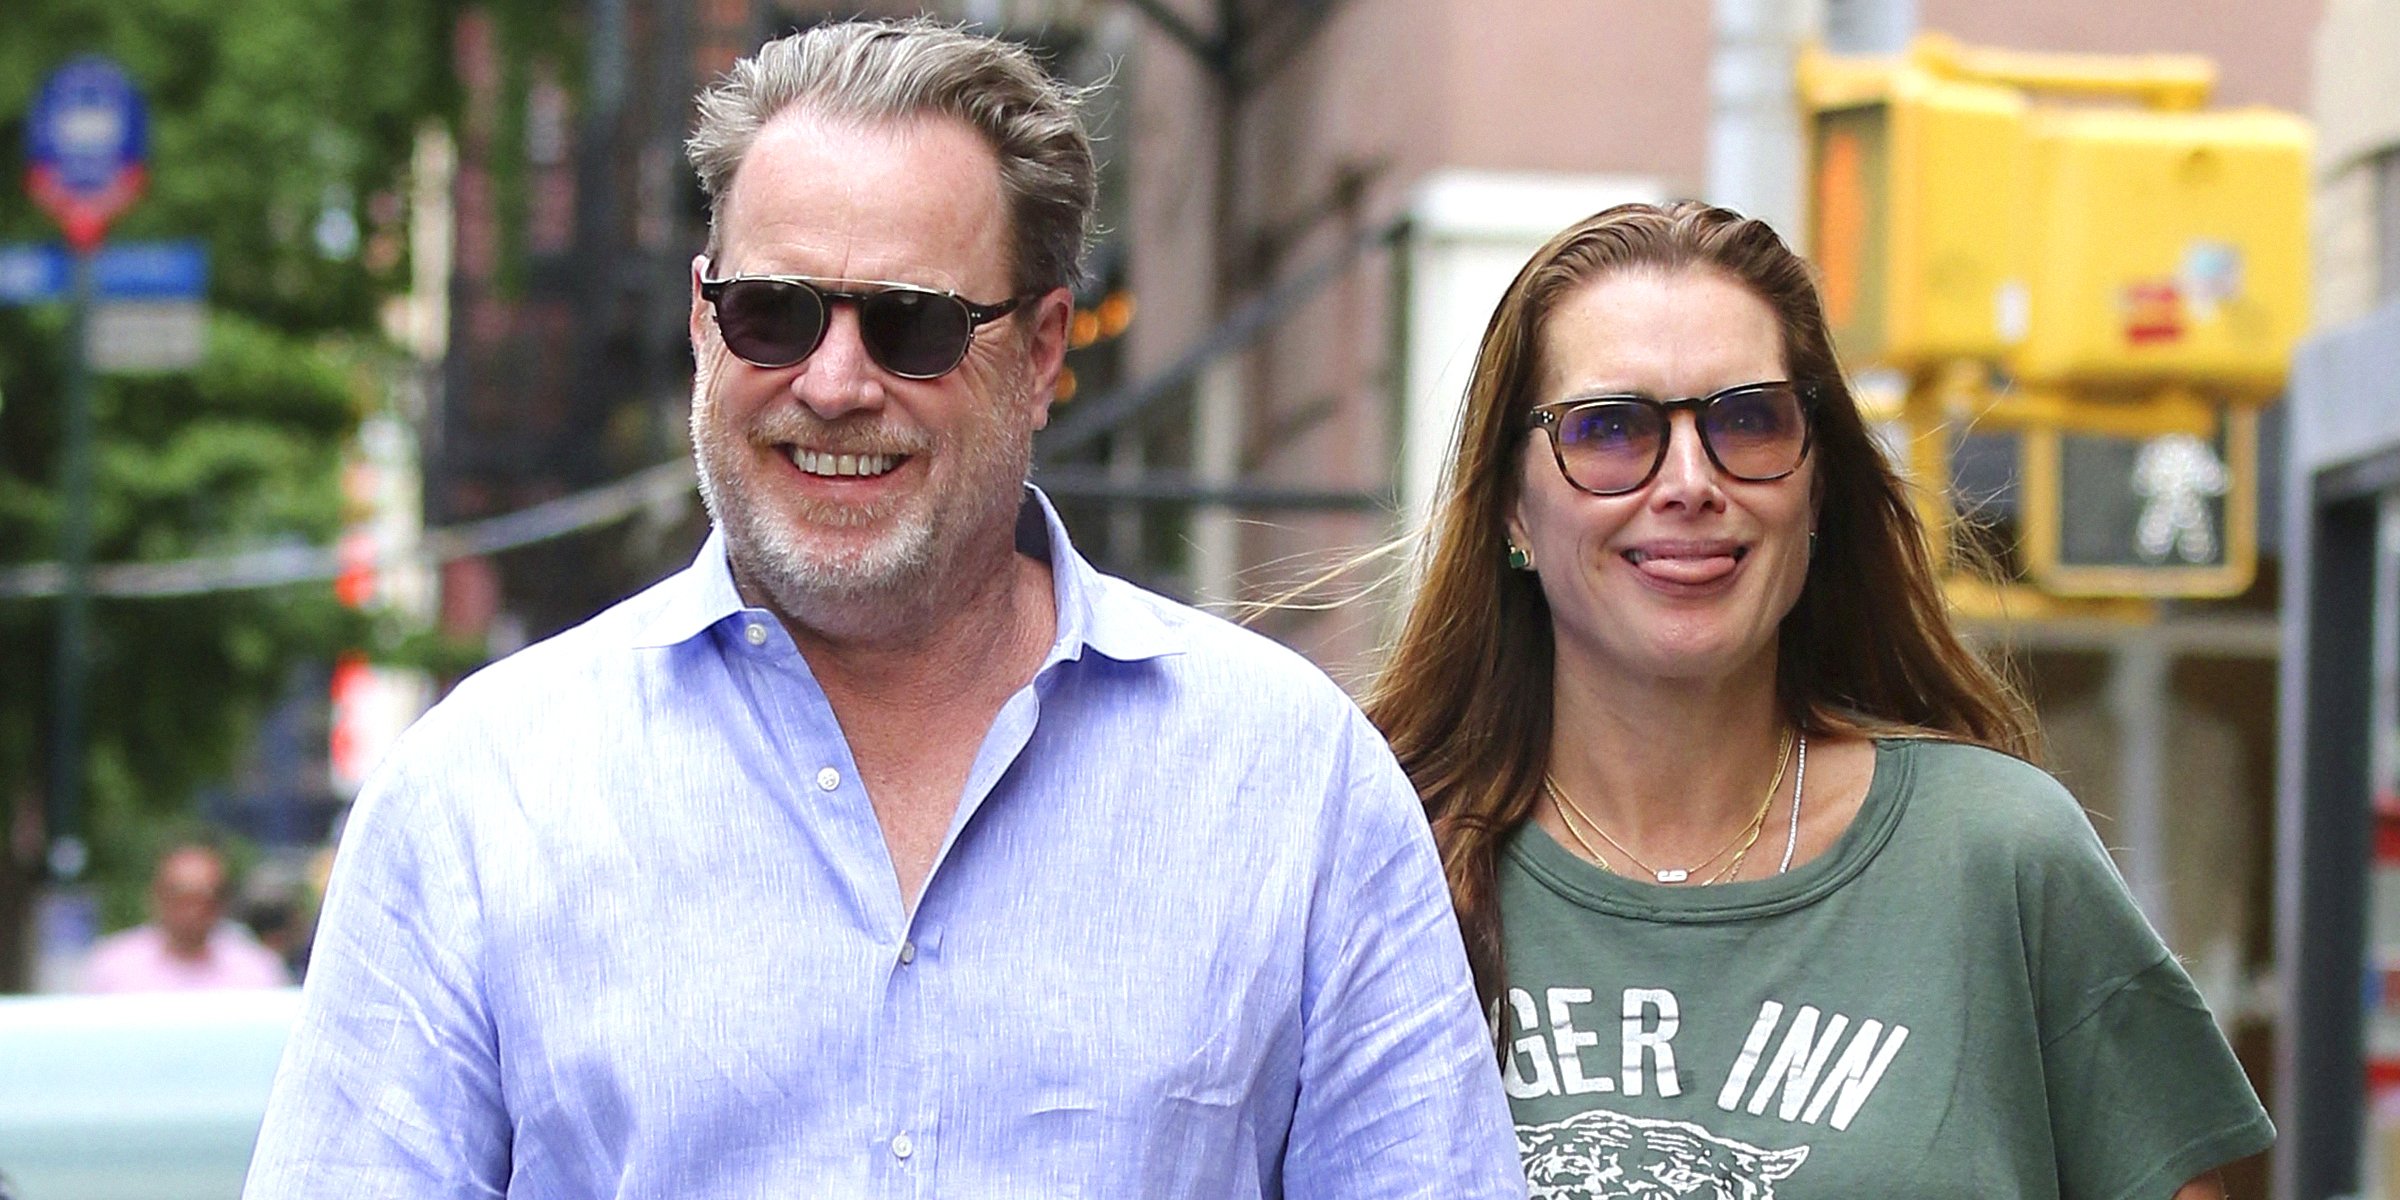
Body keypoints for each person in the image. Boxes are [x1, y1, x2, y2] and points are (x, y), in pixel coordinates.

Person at [244, 19, 1520, 1199]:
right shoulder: (478, 794)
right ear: (701, 323)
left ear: (1042, 350)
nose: (835, 381)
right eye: (771, 314)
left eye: (912, 326)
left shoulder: (1297, 784)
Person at [1364, 201, 2271, 1196]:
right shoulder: (1377, 864)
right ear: (1510, 507)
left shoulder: (1996, 856)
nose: (1688, 481)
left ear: (1819, 487)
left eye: (1747, 419)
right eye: (1611, 429)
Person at [81, 840, 290, 993]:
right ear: (156, 896)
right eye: (181, 896)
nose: (192, 910)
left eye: (205, 897)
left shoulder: (259, 970)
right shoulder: (111, 967)